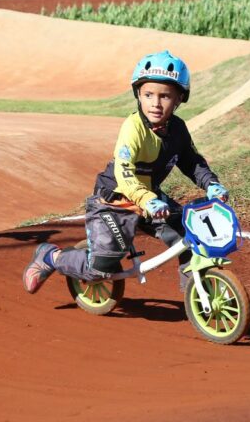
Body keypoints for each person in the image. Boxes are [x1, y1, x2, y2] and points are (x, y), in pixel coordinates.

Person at [23, 50, 229, 294]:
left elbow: (191, 161)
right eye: (148, 94)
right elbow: (125, 174)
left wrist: (211, 184)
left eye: (165, 96)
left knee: (190, 237)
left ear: (179, 99)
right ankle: (51, 257)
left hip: (149, 199)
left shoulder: (178, 129)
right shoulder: (133, 128)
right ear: (138, 95)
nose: (155, 103)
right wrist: (147, 200)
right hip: (114, 201)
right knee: (101, 269)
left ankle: (197, 292)